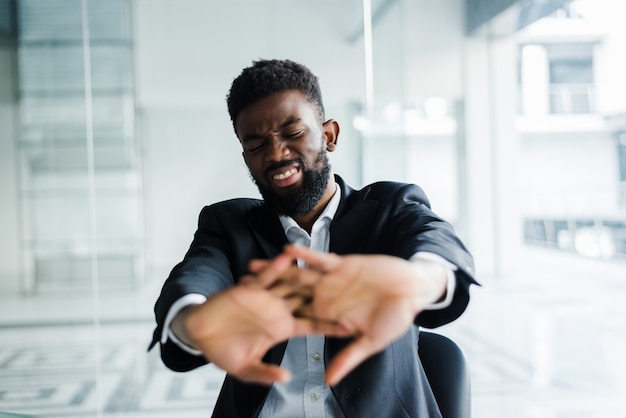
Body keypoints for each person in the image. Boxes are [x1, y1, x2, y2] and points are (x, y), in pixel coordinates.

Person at [149, 59, 478, 418]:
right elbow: (194, 277)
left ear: (329, 135)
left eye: (292, 133)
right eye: (257, 144)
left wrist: (417, 281)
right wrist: (195, 321)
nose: (276, 154)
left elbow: (436, 240)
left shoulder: (390, 206)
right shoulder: (228, 224)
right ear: (245, 156)